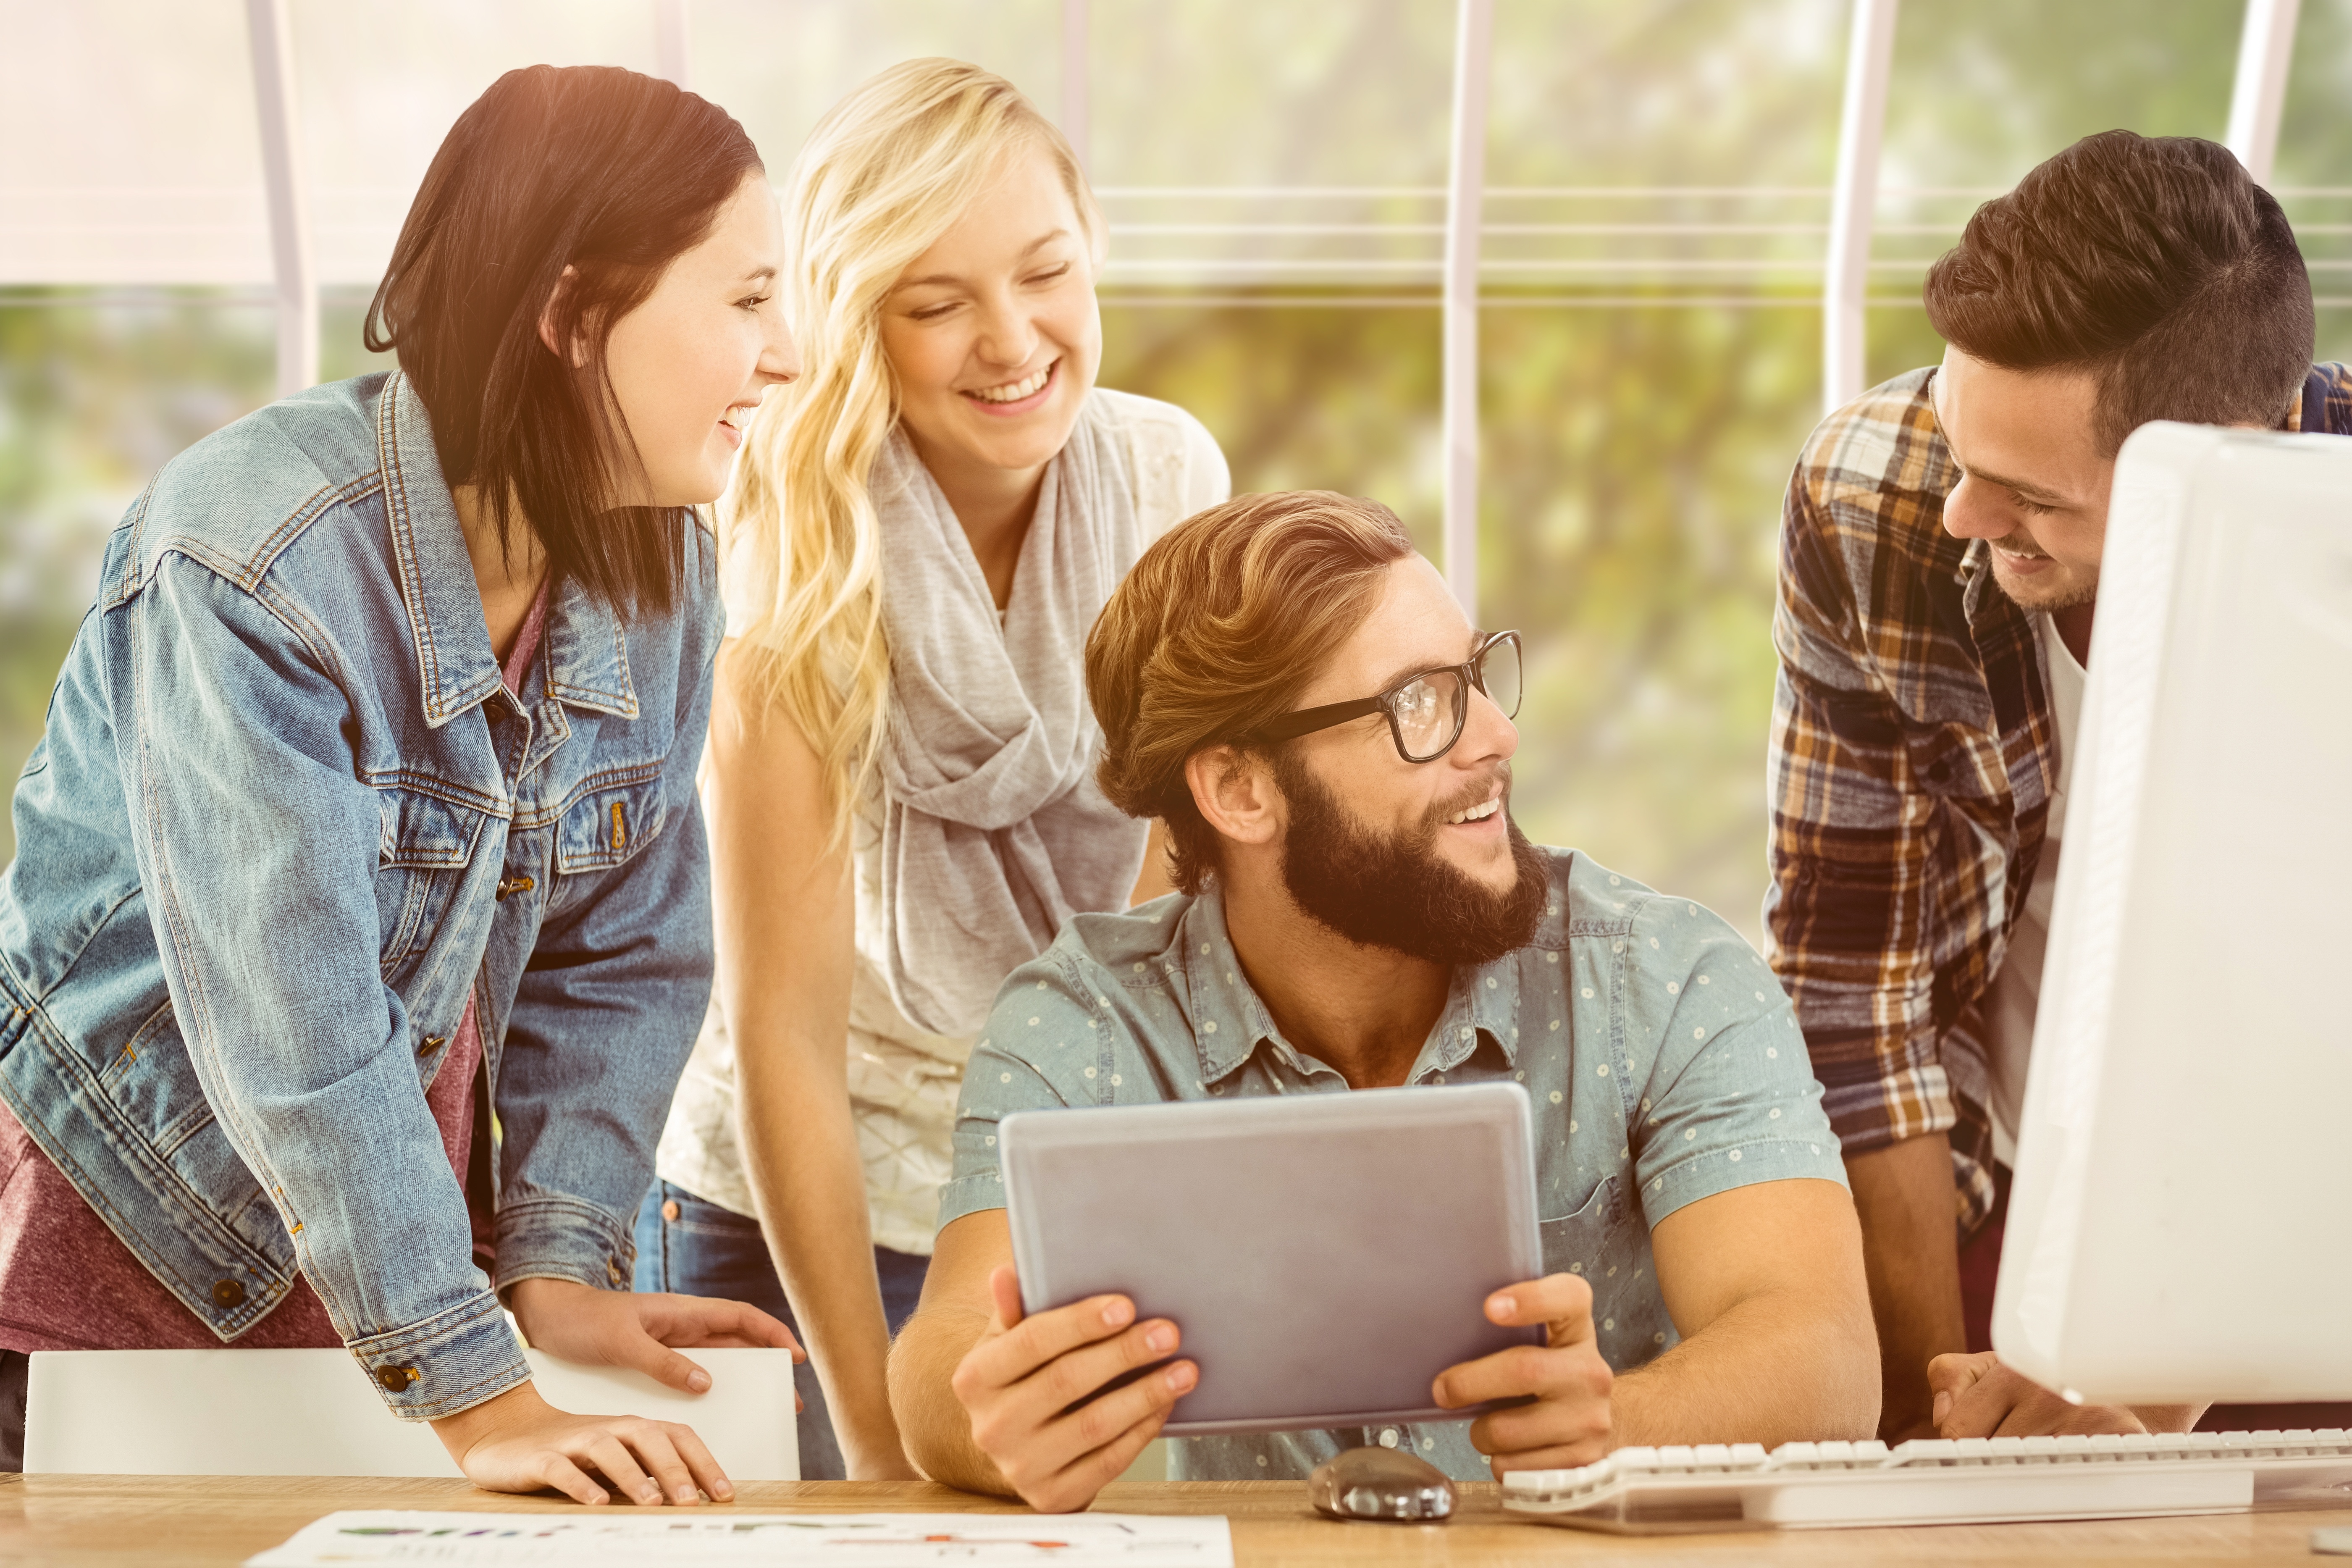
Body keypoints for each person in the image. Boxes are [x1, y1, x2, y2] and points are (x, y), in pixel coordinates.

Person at [0, 66, 803, 1502]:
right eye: (747, 298)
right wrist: (488, 1397)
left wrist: (557, 1263)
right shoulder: (250, 557)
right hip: (126, 1271)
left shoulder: (662, 559)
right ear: (573, 314)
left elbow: (620, 954)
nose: (786, 352)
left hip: (401, 1305)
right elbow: (297, 1025)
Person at [887, 489, 1880, 1513]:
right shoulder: (1086, 1021)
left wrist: (1616, 1424)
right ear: (1240, 791)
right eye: (1418, 704)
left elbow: (1825, 1351)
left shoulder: (1667, 979)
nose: (1495, 734)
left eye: (1476, 676)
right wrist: (995, 1422)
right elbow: (941, 1355)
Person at [637, 59, 1229, 1481]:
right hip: (790, 1220)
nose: (1013, 339)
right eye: (936, 302)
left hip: (1054, 1172)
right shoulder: (784, 553)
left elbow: (1158, 928)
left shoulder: (1170, 483)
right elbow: (785, 1033)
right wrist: (874, 1435)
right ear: (854, 322)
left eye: (1048, 272)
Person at [1765, 129, 2352, 1442]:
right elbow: (1855, 985)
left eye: (2029, 493)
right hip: (2009, 1191)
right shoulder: (1876, 498)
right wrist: (1936, 1417)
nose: (1962, 514)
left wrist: (2146, 1376)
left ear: (2215, 461)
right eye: (1958, 442)